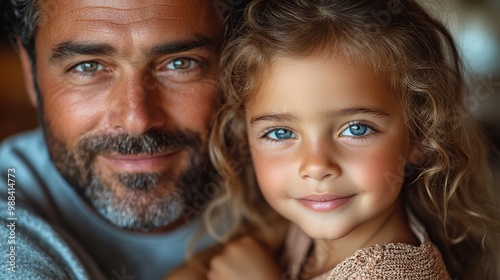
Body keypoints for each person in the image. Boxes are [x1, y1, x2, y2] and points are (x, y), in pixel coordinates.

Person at [168, 0, 500, 279]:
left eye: (356, 129)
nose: (316, 166)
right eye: (280, 133)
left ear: (421, 134)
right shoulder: (303, 229)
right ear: (245, 138)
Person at [0, 0, 245, 279]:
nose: (136, 121)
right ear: (30, 73)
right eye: (88, 67)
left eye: (180, 63)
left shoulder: (293, 178)